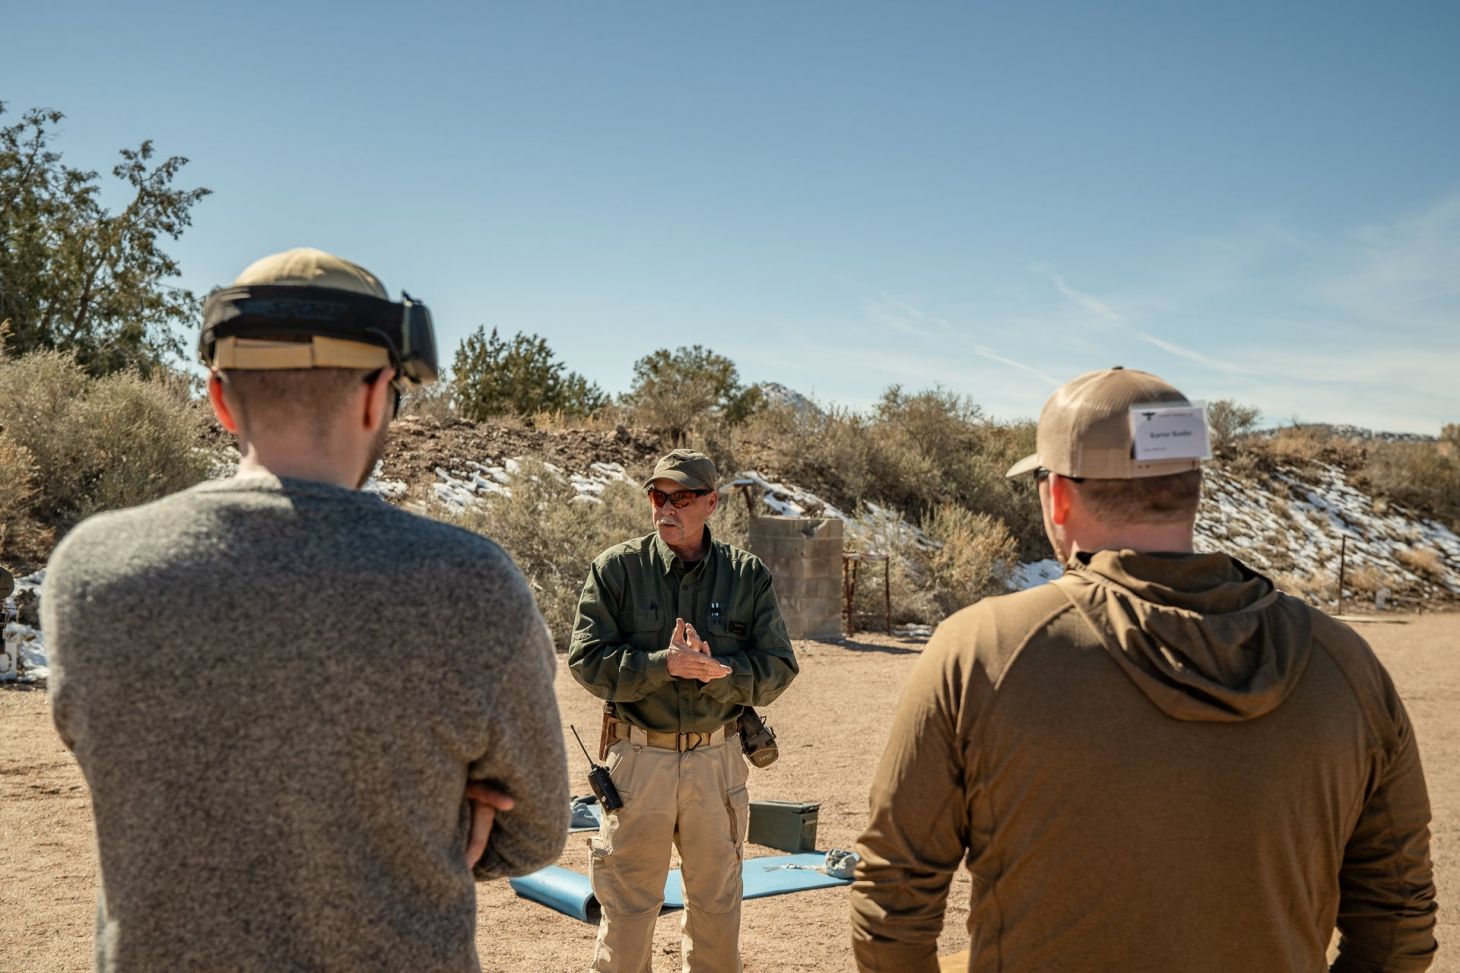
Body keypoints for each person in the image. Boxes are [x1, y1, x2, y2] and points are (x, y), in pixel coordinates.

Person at [42, 248, 570, 972]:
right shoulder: (471, 585)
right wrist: (431, 799)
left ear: (220, 398)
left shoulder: (92, 573)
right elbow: (535, 831)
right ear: (376, 394)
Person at [849, 367, 1438, 973]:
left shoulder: (985, 649)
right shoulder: (1345, 663)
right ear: (1191, 489)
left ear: (1058, 495)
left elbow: (892, 901)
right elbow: (1399, 921)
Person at [568, 448, 799, 973]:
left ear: (711, 503)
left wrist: (723, 674)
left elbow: (779, 667)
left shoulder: (746, 576)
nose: (666, 508)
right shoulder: (617, 570)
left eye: (682, 497)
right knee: (626, 913)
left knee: (717, 912)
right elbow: (585, 660)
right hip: (637, 765)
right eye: (657, 496)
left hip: (715, 764)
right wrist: (662, 665)